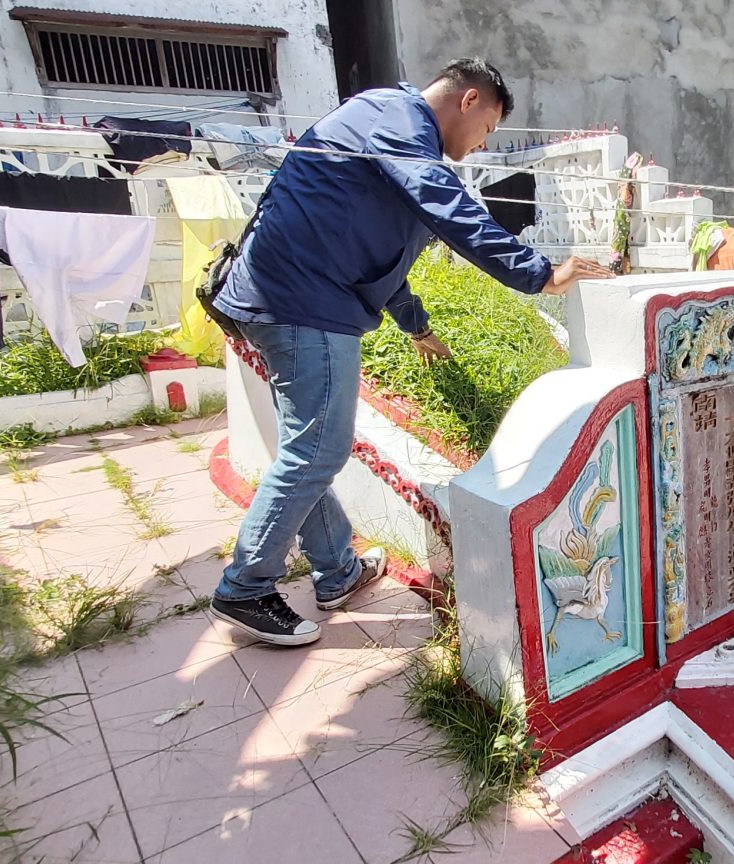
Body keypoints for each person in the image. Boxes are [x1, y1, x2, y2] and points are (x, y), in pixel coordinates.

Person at [210, 59, 612, 646]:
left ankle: (336, 572)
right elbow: (446, 206)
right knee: (318, 451)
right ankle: (245, 588)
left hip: (297, 294)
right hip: (299, 300)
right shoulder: (396, 118)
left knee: (311, 445)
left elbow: (378, 260)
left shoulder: (396, 141)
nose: (481, 145)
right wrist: (541, 272)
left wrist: (416, 327)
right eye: (488, 128)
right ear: (469, 100)